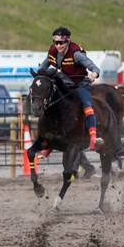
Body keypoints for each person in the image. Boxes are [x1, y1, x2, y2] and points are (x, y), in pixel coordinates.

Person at [36, 26, 104, 154]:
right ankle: (49, 143)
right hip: (63, 85)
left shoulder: (76, 54)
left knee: (87, 105)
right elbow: (42, 69)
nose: (59, 46)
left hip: (80, 84)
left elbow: (94, 67)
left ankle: (93, 137)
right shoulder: (52, 52)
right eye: (56, 43)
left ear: (68, 41)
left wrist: (93, 74)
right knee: (52, 104)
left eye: (61, 43)